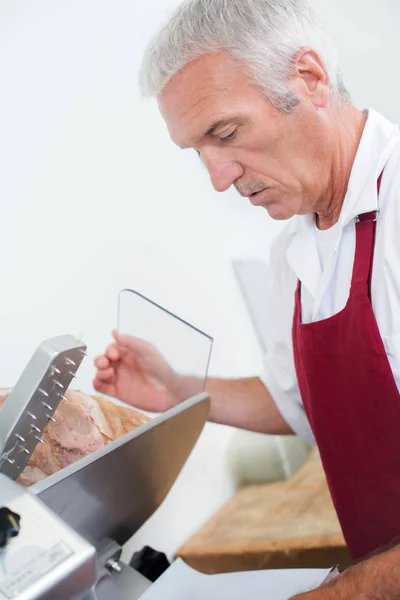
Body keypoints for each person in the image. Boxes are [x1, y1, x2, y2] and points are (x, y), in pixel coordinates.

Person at [94, 0, 400, 596]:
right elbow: (301, 401)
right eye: (198, 152)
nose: (218, 178)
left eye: (226, 133)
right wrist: (183, 391)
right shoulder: (294, 249)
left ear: (309, 79)